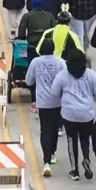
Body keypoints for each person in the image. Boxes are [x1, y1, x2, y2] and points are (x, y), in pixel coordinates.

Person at [49, 50, 96, 182]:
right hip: (86, 113)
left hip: (69, 113)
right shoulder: (91, 75)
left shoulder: (62, 75)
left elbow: (54, 92)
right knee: (85, 138)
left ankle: (74, 170)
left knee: (71, 139)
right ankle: (86, 158)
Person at [26, 39, 66, 177]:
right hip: (57, 101)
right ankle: (53, 152)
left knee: (45, 129)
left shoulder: (36, 62)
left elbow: (28, 80)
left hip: (42, 102)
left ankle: (46, 161)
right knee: (55, 128)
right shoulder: (60, 62)